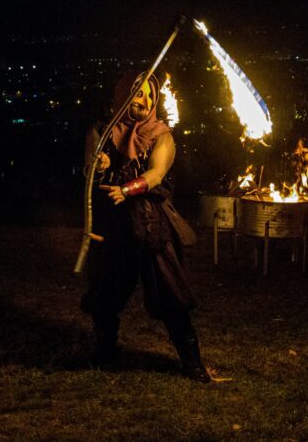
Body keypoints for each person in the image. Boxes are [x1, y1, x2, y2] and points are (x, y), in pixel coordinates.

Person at [81, 71, 211, 382]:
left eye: (149, 95)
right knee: (104, 289)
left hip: (150, 224)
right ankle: (105, 348)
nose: (144, 99)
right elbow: (89, 173)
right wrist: (98, 168)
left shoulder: (161, 135)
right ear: (123, 94)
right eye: (138, 93)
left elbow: (155, 174)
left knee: (171, 292)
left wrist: (126, 189)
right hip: (111, 226)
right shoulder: (100, 131)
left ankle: (191, 360)